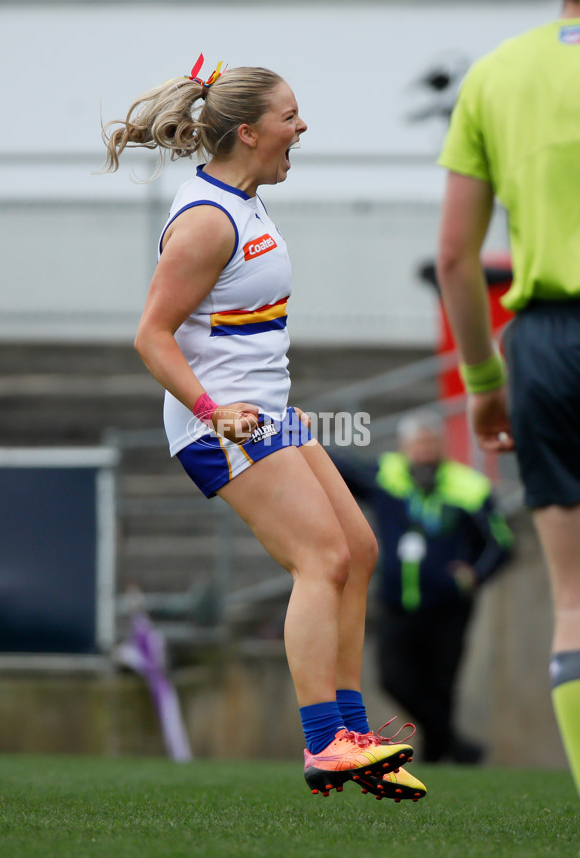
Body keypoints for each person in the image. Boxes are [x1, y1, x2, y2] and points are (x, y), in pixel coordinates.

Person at [101, 55, 422, 800]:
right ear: (247, 132)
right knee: (321, 560)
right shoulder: (210, 217)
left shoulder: (244, 199)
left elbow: (239, 330)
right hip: (222, 424)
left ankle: (355, 736)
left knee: (359, 551)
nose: (301, 127)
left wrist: (279, 402)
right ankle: (327, 744)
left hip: (268, 413)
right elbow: (152, 335)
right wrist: (217, 413)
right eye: (289, 116)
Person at [436, 1, 580, 797]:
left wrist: (485, 385)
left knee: (574, 598)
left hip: (546, 347)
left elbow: (456, 257)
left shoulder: (496, 73)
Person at [335, 411, 513, 763]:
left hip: (449, 606)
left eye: (431, 444)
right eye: (417, 446)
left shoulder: (469, 486)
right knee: (393, 678)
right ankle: (457, 747)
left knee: (443, 684)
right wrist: (302, 438)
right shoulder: (387, 477)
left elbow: (500, 544)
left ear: (442, 447)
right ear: (404, 448)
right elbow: (342, 471)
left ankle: (437, 757)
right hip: (397, 603)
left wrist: (473, 576)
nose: (424, 453)